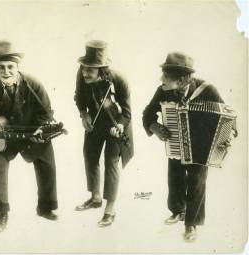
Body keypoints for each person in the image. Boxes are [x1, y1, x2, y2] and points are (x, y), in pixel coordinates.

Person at [0, 40, 58, 232]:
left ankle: (45, 207)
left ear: (17, 67)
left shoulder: (33, 84)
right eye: (1, 67)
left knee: (46, 158)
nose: (6, 71)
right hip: (5, 137)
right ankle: (2, 212)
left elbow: (47, 112)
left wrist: (40, 129)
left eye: (10, 67)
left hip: (31, 133)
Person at [142, 52, 237, 242]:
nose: (162, 79)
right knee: (174, 177)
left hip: (202, 148)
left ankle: (191, 223)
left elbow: (229, 119)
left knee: (196, 182)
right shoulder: (163, 90)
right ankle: (178, 211)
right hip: (176, 140)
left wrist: (230, 136)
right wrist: (156, 127)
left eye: (166, 76)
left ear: (182, 79)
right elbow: (147, 114)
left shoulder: (208, 90)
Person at [74, 40, 134, 227]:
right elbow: (79, 97)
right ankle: (95, 197)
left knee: (111, 161)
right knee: (90, 155)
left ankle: (110, 209)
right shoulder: (81, 74)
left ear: (102, 70)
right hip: (94, 123)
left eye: (90, 70)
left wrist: (121, 126)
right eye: (84, 68)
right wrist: (84, 115)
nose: (85, 73)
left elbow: (127, 112)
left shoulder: (119, 80)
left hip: (117, 125)